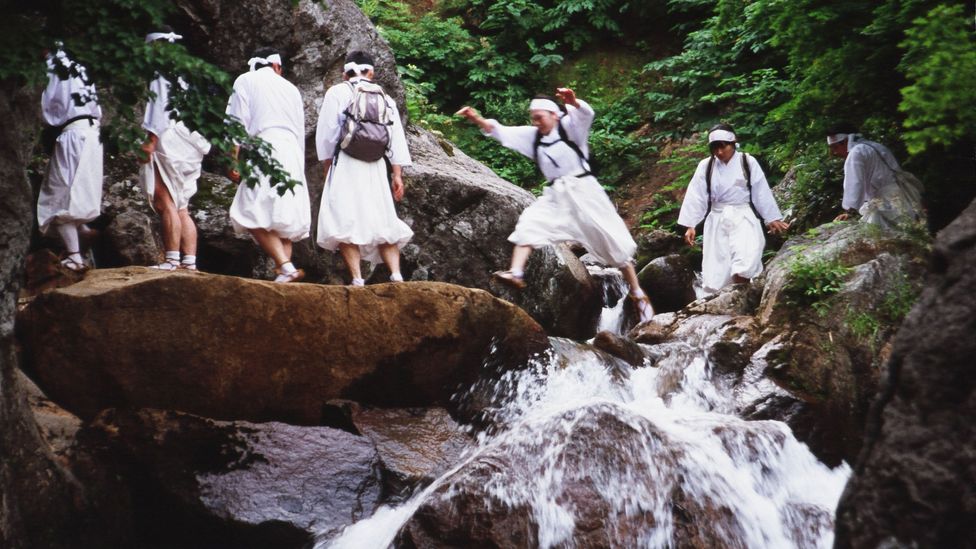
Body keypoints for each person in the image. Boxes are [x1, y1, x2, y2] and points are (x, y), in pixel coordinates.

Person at [456, 88, 653, 322]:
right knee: (529, 223)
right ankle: (516, 272)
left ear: (554, 115)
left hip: (584, 191)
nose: (536, 122)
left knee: (613, 243)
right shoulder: (533, 136)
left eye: (540, 117)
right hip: (556, 195)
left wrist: (574, 102)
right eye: (534, 118)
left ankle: (637, 292)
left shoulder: (570, 129)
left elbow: (586, 115)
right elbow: (500, 131)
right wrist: (476, 118)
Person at [315, 50, 412, 286]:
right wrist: (397, 174)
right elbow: (395, 137)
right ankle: (396, 275)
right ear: (372, 72)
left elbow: (327, 134)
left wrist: (328, 165)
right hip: (376, 165)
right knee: (383, 217)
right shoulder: (385, 97)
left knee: (345, 219)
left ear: (344, 73)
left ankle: (357, 279)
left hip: (346, 163)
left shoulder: (337, 92)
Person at [225, 47, 311, 283]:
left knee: (247, 210)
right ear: (277, 67)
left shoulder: (245, 79)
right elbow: (300, 127)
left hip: (265, 146)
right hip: (292, 150)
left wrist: (233, 158)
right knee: (283, 217)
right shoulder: (291, 89)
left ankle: (286, 266)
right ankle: (286, 274)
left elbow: (236, 122)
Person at [677, 124, 789, 294]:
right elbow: (696, 195)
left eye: (723, 147)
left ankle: (740, 295)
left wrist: (771, 217)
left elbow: (761, 191)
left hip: (742, 216)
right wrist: (690, 224)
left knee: (745, 257)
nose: (719, 152)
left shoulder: (747, 162)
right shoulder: (706, 166)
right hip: (717, 218)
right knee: (719, 266)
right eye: (715, 148)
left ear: (733, 143)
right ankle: (727, 301)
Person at [139, 27, 211, 271]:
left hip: (170, 137)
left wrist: (151, 139)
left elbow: (159, 108)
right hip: (191, 141)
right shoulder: (188, 71)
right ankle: (189, 261)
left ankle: (171, 259)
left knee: (165, 199)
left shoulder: (161, 71)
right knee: (182, 205)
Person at [39, 46, 104, 272]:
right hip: (94, 133)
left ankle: (75, 257)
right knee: (79, 187)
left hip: (73, 133)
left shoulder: (52, 67)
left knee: (60, 193)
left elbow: (47, 106)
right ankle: (83, 229)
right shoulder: (80, 68)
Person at [826, 124, 924, 228]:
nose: (834, 152)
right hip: (903, 195)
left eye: (835, 147)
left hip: (887, 201)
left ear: (846, 141)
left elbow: (855, 183)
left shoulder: (856, 152)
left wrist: (850, 211)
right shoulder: (876, 146)